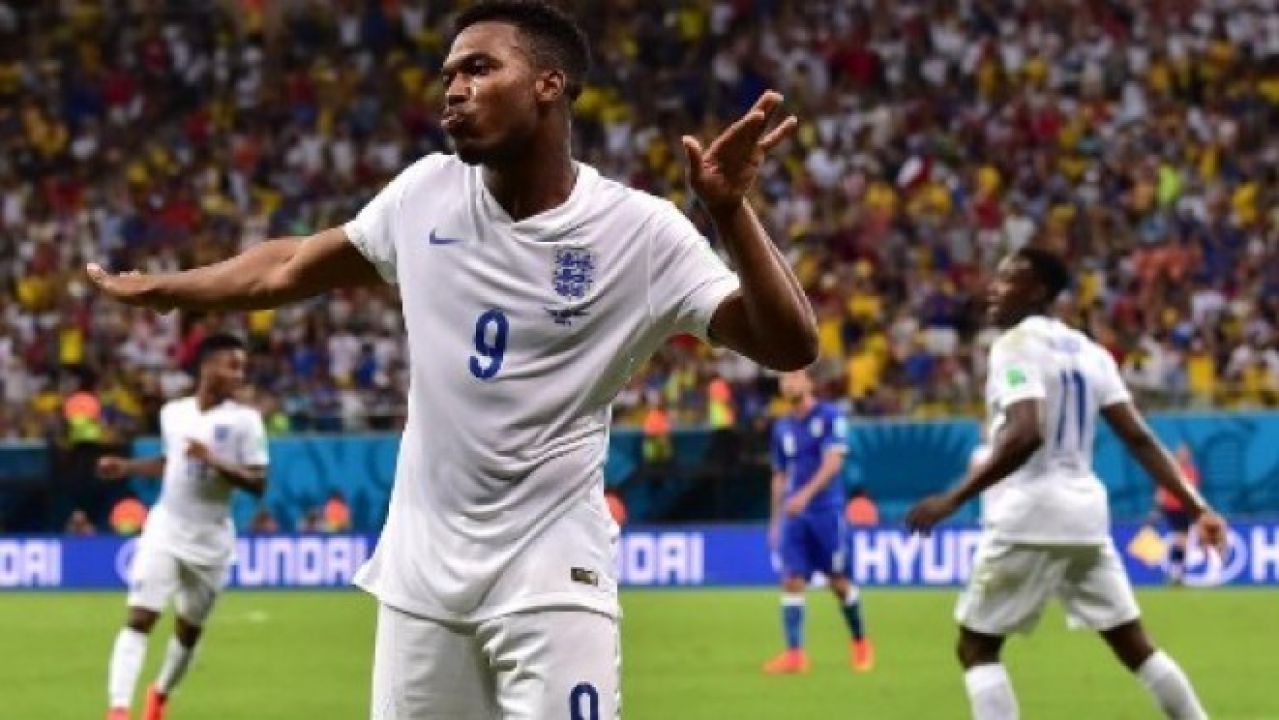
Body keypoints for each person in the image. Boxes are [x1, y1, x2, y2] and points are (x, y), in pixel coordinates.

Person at [86, 2, 817, 716]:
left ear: (548, 85)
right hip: (422, 580)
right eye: (449, 76)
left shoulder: (639, 232)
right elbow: (287, 267)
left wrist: (729, 212)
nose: (455, 90)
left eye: (479, 68)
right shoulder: (424, 193)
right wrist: (167, 290)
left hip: (553, 570)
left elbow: (789, 345)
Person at [905, 247, 1227, 720]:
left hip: (1028, 515)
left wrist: (953, 499)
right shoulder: (1091, 353)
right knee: (1134, 644)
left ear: (1038, 290)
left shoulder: (1013, 346)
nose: (995, 289)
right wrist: (1199, 508)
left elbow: (1026, 433)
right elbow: (1138, 437)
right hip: (1085, 519)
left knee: (976, 647)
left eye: (1009, 279)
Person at [97, 334, 269, 720]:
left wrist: (214, 460)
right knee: (140, 617)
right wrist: (127, 467)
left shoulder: (246, 421)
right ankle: (118, 709)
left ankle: (159, 693)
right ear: (208, 367)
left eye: (242, 368)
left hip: (212, 540)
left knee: (188, 631)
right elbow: (170, 462)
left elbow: (259, 482)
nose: (239, 375)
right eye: (232, 365)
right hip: (166, 528)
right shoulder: (173, 413)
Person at [763, 369, 872, 674]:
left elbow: (834, 462)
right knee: (791, 580)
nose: (789, 383)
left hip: (827, 512)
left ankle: (860, 642)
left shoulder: (830, 416)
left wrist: (805, 496)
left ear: (809, 382)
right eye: (784, 379)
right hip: (794, 516)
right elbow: (779, 475)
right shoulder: (782, 427)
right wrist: (775, 521)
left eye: (795, 377)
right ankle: (795, 655)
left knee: (838, 583)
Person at [1150, 444, 1201, 585]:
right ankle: (1176, 572)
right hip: (1172, 508)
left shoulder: (1192, 471)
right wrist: (1157, 508)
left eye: (1186, 454)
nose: (1184, 456)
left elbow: (1193, 492)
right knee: (1180, 539)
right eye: (1182, 453)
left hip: (1185, 509)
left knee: (1183, 541)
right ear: (1177, 454)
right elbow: (1161, 490)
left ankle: (1177, 572)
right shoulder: (1170, 469)